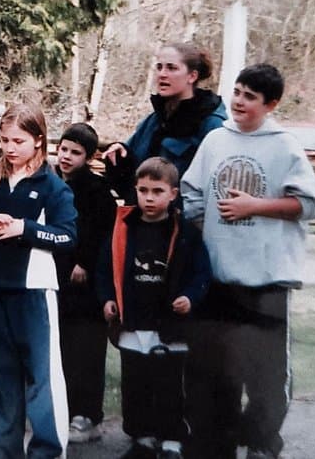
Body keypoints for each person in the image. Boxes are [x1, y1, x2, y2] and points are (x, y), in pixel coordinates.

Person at [180, 64, 315, 459]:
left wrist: (255, 206)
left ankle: (263, 443)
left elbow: (313, 205)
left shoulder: (284, 147)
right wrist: (205, 227)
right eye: (238, 92)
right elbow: (192, 193)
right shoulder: (214, 140)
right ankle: (218, 445)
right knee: (216, 374)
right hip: (218, 279)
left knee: (266, 376)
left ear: (271, 104)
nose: (240, 102)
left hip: (266, 281)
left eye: (250, 97)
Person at [0, 103, 78, 459]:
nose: (10, 148)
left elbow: (67, 236)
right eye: (4, 140)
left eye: (18, 140)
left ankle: (47, 450)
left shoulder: (52, 186)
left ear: (39, 141)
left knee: (41, 378)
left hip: (34, 292)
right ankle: (1, 447)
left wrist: (23, 229)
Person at [97, 157, 210, 459]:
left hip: (170, 325)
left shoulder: (185, 231)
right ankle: (143, 438)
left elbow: (201, 272)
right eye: (143, 190)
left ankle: (172, 439)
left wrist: (190, 296)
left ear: (173, 193)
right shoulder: (123, 227)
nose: (149, 197)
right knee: (136, 383)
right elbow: (105, 268)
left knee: (170, 384)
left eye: (157, 191)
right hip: (133, 321)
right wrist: (108, 297)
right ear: (135, 189)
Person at [52, 123, 116, 444]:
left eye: (75, 153)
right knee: (61, 347)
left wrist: (85, 262)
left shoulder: (96, 190)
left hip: (86, 284)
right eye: (63, 149)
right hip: (57, 277)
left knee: (87, 350)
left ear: (89, 157)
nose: (66, 157)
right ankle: (64, 410)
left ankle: (89, 415)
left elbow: (103, 232)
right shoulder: (51, 181)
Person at [103, 42, 227, 203]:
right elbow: (133, 171)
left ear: (192, 76)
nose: (162, 74)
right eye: (159, 67)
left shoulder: (212, 124)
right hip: (143, 220)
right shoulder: (155, 119)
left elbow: (217, 185)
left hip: (184, 222)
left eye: (171, 68)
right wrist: (120, 153)